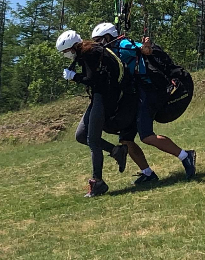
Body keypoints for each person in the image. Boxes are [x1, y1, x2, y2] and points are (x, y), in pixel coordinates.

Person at [91, 22, 195, 182]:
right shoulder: (110, 52)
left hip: (148, 93)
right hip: (134, 95)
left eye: (98, 41)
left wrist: (146, 48)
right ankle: (148, 173)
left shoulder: (123, 44)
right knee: (126, 140)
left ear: (107, 38)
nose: (97, 45)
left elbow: (142, 49)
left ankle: (185, 156)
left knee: (146, 136)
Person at [57, 29, 141, 197]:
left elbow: (93, 79)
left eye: (65, 52)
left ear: (72, 47)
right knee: (81, 135)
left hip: (104, 99)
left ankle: (98, 182)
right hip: (100, 97)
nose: (65, 55)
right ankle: (117, 151)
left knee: (93, 140)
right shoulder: (88, 51)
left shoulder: (90, 53)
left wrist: (74, 77)